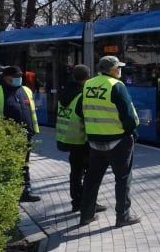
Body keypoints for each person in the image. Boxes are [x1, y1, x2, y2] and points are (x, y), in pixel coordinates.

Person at [79, 56, 140, 227]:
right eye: (118, 67)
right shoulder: (116, 86)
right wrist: (132, 132)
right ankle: (123, 216)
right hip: (118, 140)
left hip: (94, 141)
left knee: (92, 179)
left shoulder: (88, 84)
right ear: (112, 69)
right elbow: (128, 115)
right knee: (123, 179)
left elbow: (81, 110)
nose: (120, 70)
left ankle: (86, 216)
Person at [0, 65, 41, 202]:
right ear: (6, 78)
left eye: (20, 77)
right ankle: (7, 194)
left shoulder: (26, 90)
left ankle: (25, 191)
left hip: (26, 135)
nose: (19, 79)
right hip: (5, 137)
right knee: (7, 165)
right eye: (15, 77)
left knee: (24, 165)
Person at [55, 64, 106, 213]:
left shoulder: (64, 93)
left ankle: (76, 202)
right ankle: (89, 203)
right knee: (90, 174)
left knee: (76, 173)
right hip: (83, 141)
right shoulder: (81, 96)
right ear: (87, 77)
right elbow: (87, 118)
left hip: (68, 139)